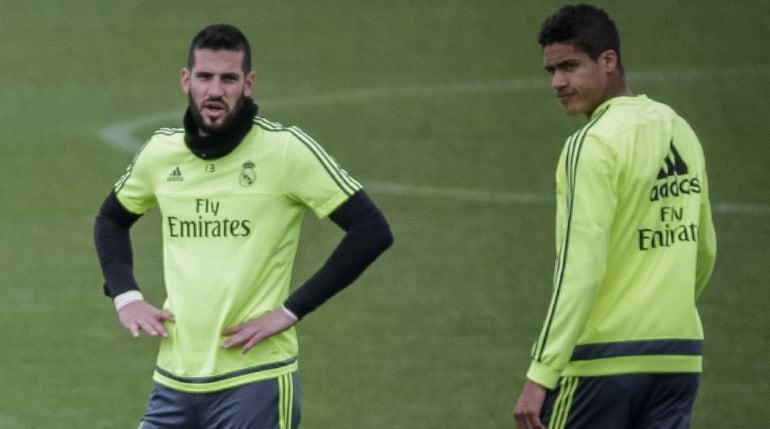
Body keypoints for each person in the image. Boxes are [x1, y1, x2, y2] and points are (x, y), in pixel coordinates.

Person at [94, 24, 393, 428]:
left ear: (248, 84)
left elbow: (370, 229)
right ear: (187, 80)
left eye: (228, 78)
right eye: (205, 77)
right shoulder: (160, 153)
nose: (215, 91)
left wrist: (291, 311)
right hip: (174, 380)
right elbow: (111, 218)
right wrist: (125, 295)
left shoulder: (286, 150)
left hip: (256, 381)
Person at [513, 5, 717, 428]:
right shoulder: (679, 128)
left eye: (570, 67)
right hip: (678, 358)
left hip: (600, 364)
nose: (558, 83)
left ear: (608, 61)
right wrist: (663, 309)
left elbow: (578, 269)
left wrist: (540, 373)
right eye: (551, 71)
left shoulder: (591, 144)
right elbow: (705, 248)